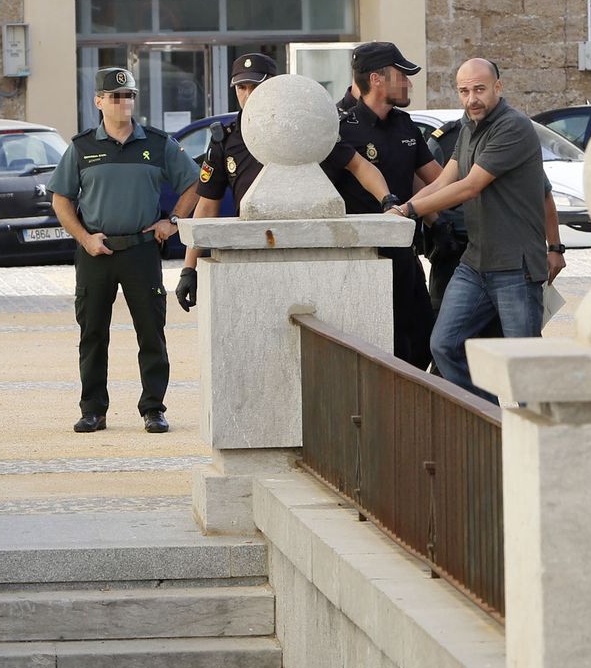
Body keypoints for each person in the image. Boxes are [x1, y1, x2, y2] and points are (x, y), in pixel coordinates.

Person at [174, 54, 394, 312]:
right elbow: (208, 205)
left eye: (256, 87)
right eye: (241, 88)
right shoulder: (226, 139)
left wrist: (388, 201)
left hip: (304, 249)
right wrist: (189, 268)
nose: (248, 94)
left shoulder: (304, 128)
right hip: (250, 252)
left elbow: (358, 165)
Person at [51, 67, 201, 434]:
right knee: (92, 334)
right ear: (99, 101)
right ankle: (93, 411)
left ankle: (153, 408)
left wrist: (174, 220)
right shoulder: (82, 147)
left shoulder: (157, 143)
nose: (124, 103)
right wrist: (85, 239)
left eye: (129, 96)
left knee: (151, 332)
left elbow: (196, 182)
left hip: (142, 250)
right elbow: (61, 199)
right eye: (115, 96)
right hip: (95, 252)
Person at [404, 58, 566, 399]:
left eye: (479, 89)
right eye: (464, 91)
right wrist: (402, 209)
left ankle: (541, 441)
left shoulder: (514, 127)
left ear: (498, 87)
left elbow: (470, 187)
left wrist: (412, 209)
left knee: (523, 367)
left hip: (515, 267)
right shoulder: (467, 123)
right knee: (444, 345)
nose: (471, 99)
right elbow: (449, 176)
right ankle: (491, 420)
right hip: (475, 263)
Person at [331, 41, 443, 368]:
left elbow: (435, 179)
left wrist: (441, 223)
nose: (409, 82)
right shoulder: (342, 128)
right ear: (378, 79)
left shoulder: (405, 125)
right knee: (382, 349)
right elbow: (361, 170)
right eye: (402, 75)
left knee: (424, 341)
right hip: (363, 261)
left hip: (404, 253)